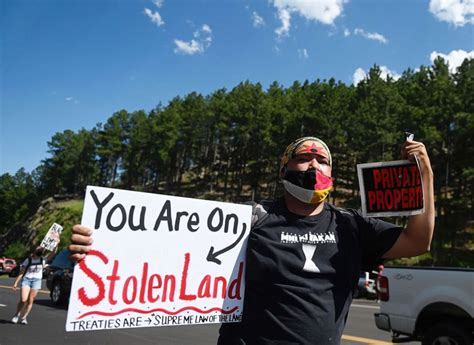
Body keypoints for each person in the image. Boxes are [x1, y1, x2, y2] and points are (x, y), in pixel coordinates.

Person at [69, 136, 435, 345]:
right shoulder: (250, 218)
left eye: (322, 160)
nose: (314, 164)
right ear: (284, 170)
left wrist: (425, 175)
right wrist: (101, 246)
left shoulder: (351, 225)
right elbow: (166, 249)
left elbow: (418, 241)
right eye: (304, 158)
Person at [11, 245, 58, 325]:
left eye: (41, 249)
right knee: (23, 299)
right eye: (38, 249)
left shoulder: (43, 260)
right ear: (35, 251)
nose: (40, 250)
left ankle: (24, 317)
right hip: (27, 280)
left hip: (36, 281)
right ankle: (17, 314)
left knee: (30, 300)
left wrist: (56, 243)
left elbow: (53, 252)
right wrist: (16, 283)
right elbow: (22, 272)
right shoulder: (28, 260)